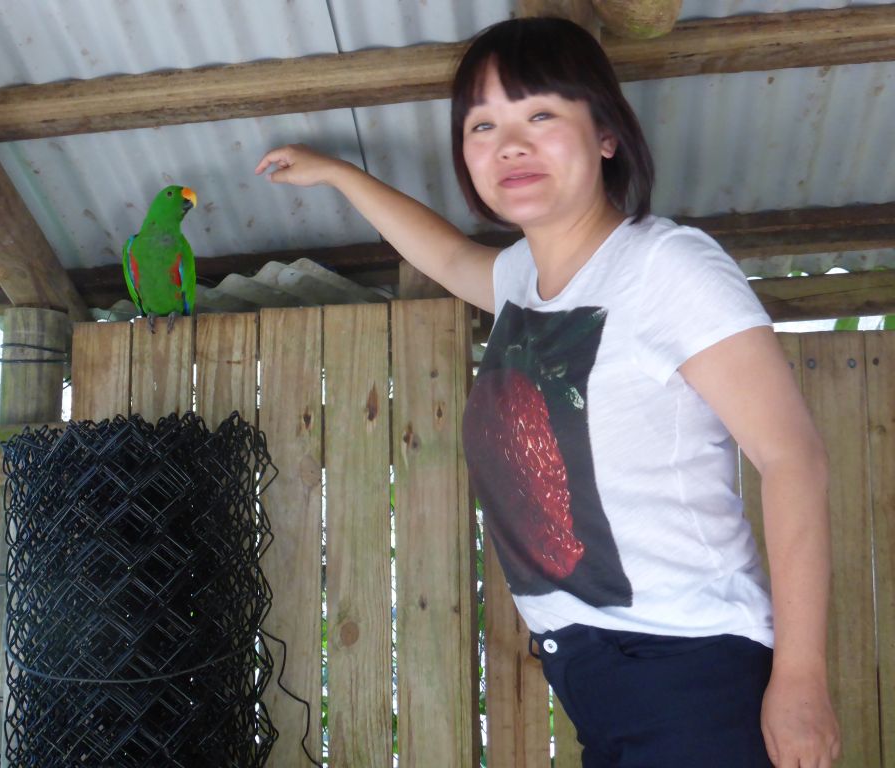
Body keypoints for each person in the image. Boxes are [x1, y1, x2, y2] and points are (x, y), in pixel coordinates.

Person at [256, 16, 840, 768]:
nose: (510, 145)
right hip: (598, 678)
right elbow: (445, 253)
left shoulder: (665, 267)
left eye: (541, 115)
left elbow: (793, 459)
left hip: (690, 669)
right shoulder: (522, 284)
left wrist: (800, 677)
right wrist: (339, 175)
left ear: (605, 135)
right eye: (483, 125)